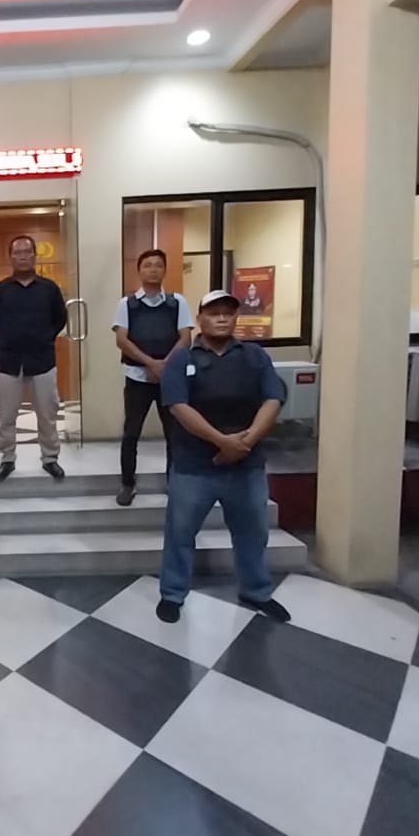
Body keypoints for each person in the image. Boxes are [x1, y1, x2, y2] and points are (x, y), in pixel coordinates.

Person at [156, 289, 291, 624]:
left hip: (247, 466)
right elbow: (179, 407)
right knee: (180, 534)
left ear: (235, 318)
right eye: (213, 313)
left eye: (227, 313)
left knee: (252, 534)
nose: (221, 319)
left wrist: (246, 442)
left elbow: (272, 399)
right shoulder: (182, 359)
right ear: (200, 319)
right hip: (193, 467)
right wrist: (222, 442)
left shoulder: (255, 356)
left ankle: (256, 591)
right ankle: (172, 594)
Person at [0, 235, 68, 480]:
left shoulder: (49, 289)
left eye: (27, 252)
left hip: (43, 360)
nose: (22, 257)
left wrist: (43, 337)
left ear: (35, 256)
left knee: (47, 414)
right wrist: (8, 337)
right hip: (8, 361)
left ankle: (50, 458)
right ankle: (7, 458)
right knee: (6, 415)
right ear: (10, 257)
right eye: (17, 252)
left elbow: (60, 319)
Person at [111, 250, 193, 505]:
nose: (153, 269)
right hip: (137, 377)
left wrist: (164, 366)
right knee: (131, 433)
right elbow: (121, 340)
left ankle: (174, 482)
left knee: (174, 434)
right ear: (139, 271)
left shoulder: (177, 302)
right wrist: (150, 363)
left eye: (158, 265)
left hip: (170, 378)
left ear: (165, 270)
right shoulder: (127, 304)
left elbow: (186, 338)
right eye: (147, 265)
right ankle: (127, 484)